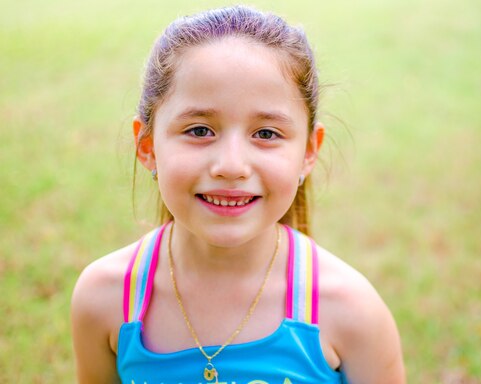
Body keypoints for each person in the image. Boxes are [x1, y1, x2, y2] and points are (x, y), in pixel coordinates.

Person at [71, 6, 405, 383]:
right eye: (199, 130)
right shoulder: (105, 298)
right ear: (147, 146)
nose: (231, 165)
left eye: (266, 134)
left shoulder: (350, 311)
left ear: (309, 151)